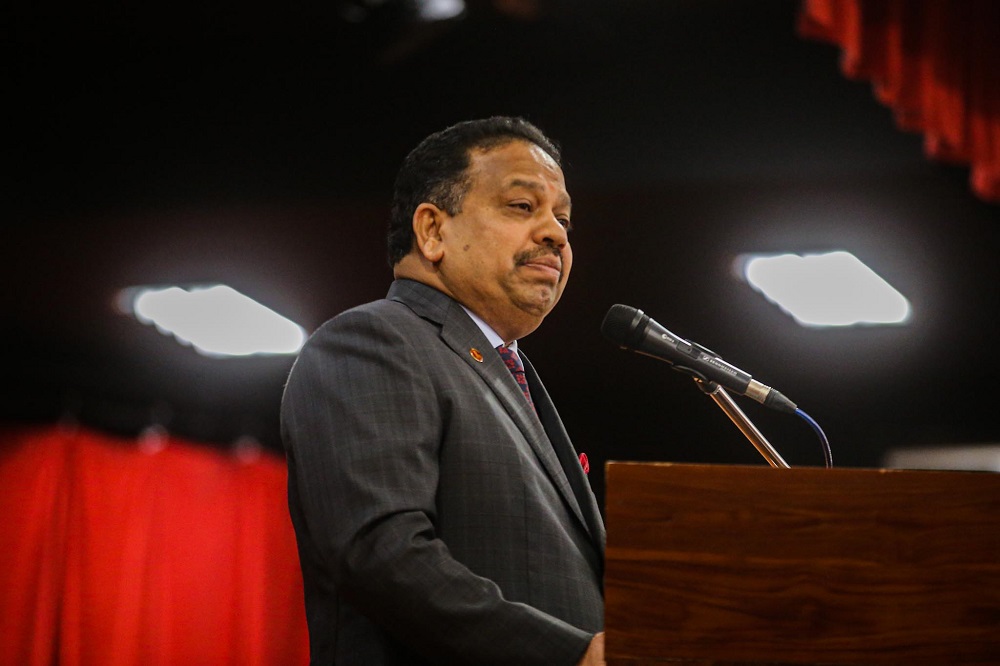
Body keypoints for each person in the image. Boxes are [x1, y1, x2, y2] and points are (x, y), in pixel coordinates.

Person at [281, 116, 605, 665]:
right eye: (522, 207)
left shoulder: (502, 367)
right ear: (433, 231)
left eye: (563, 218)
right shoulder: (375, 342)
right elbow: (382, 555)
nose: (555, 232)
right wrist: (567, 656)